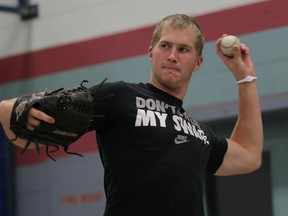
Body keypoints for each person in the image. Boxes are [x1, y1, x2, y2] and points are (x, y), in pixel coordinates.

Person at [0, 14, 263, 216]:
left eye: (183, 49)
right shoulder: (119, 96)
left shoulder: (199, 134)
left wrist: (245, 78)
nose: (172, 56)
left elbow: (249, 155)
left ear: (197, 63)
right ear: (151, 53)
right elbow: (18, 125)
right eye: (165, 46)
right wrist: (8, 111)